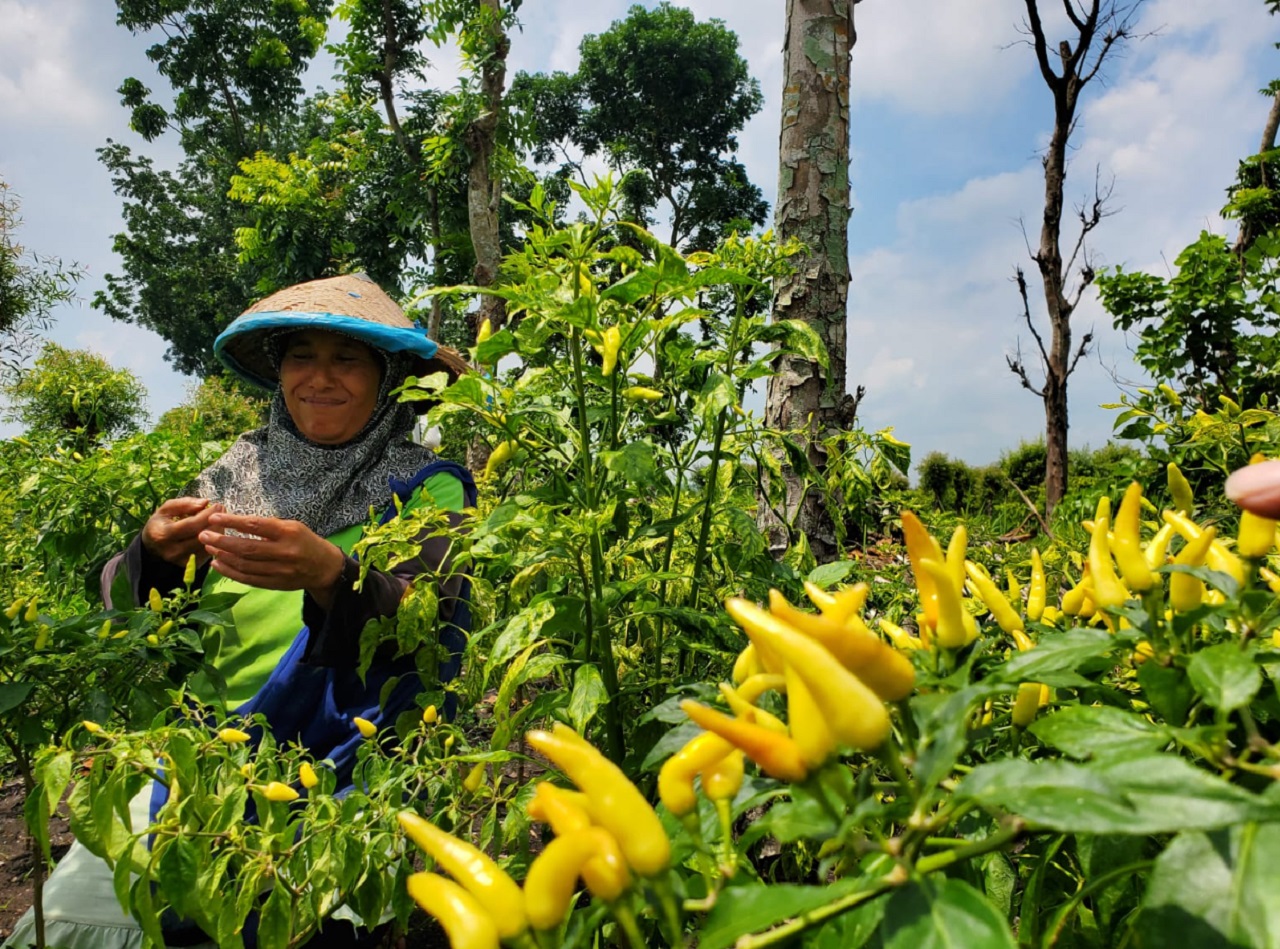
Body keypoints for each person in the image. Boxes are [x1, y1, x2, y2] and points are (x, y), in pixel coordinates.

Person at [4, 273, 472, 949]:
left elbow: (426, 625)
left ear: (387, 377)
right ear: (279, 373)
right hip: (208, 761)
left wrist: (334, 576)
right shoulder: (233, 476)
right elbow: (131, 617)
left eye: (347, 359)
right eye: (302, 357)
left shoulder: (426, 488)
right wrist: (155, 551)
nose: (321, 377)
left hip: (349, 763)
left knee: (311, 922)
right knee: (63, 922)